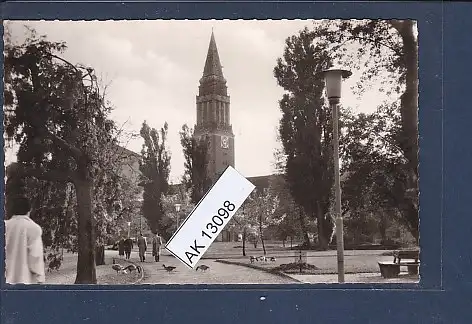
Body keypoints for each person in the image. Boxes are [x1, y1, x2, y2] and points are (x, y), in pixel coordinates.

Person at [5, 195, 46, 284]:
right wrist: (40, 279)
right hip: (24, 281)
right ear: (29, 210)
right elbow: (35, 257)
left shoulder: (5, 226)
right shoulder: (33, 228)